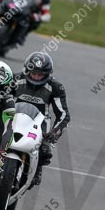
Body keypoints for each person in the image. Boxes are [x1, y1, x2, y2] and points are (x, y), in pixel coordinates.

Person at [11, 51, 70, 187]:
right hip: (14, 116)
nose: (37, 77)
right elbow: (0, 99)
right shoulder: (15, 79)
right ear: (27, 70)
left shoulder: (55, 87)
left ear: (47, 74)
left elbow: (63, 114)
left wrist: (55, 132)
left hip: (39, 122)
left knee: (44, 148)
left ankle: (37, 168)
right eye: (34, 73)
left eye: (41, 74)